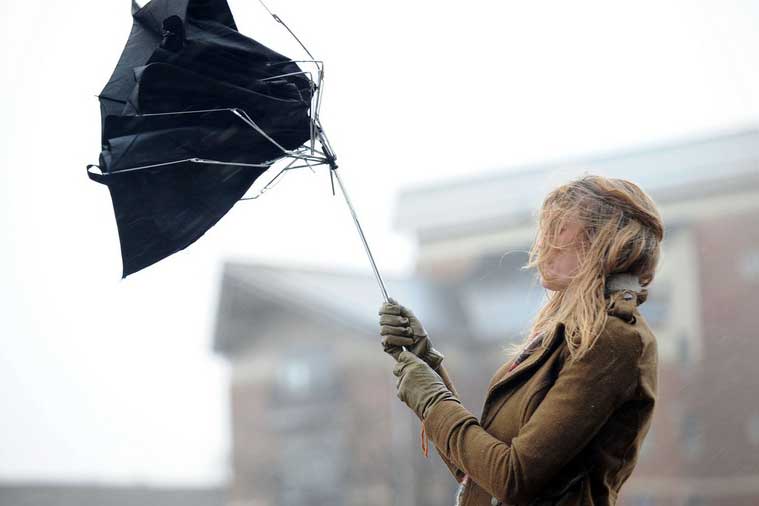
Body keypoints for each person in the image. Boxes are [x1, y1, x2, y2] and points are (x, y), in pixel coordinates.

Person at [378, 175, 663, 506]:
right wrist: (427, 363)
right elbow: (479, 473)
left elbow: (513, 479)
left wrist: (432, 400)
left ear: (602, 239)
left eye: (559, 228)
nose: (542, 243)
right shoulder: (565, 335)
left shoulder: (613, 340)